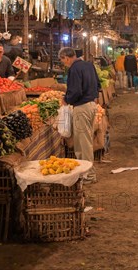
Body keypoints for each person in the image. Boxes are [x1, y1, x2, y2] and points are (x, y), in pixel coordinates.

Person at [59, 47, 99, 183]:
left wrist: (66, 99)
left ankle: (89, 175)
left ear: (66, 57)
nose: (64, 64)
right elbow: (97, 84)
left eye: (63, 61)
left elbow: (76, 91)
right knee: (84, 141)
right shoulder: (89, 65)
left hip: (82, 108)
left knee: (83, 143)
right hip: (91, 105)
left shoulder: (74, 69)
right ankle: (85, 173)